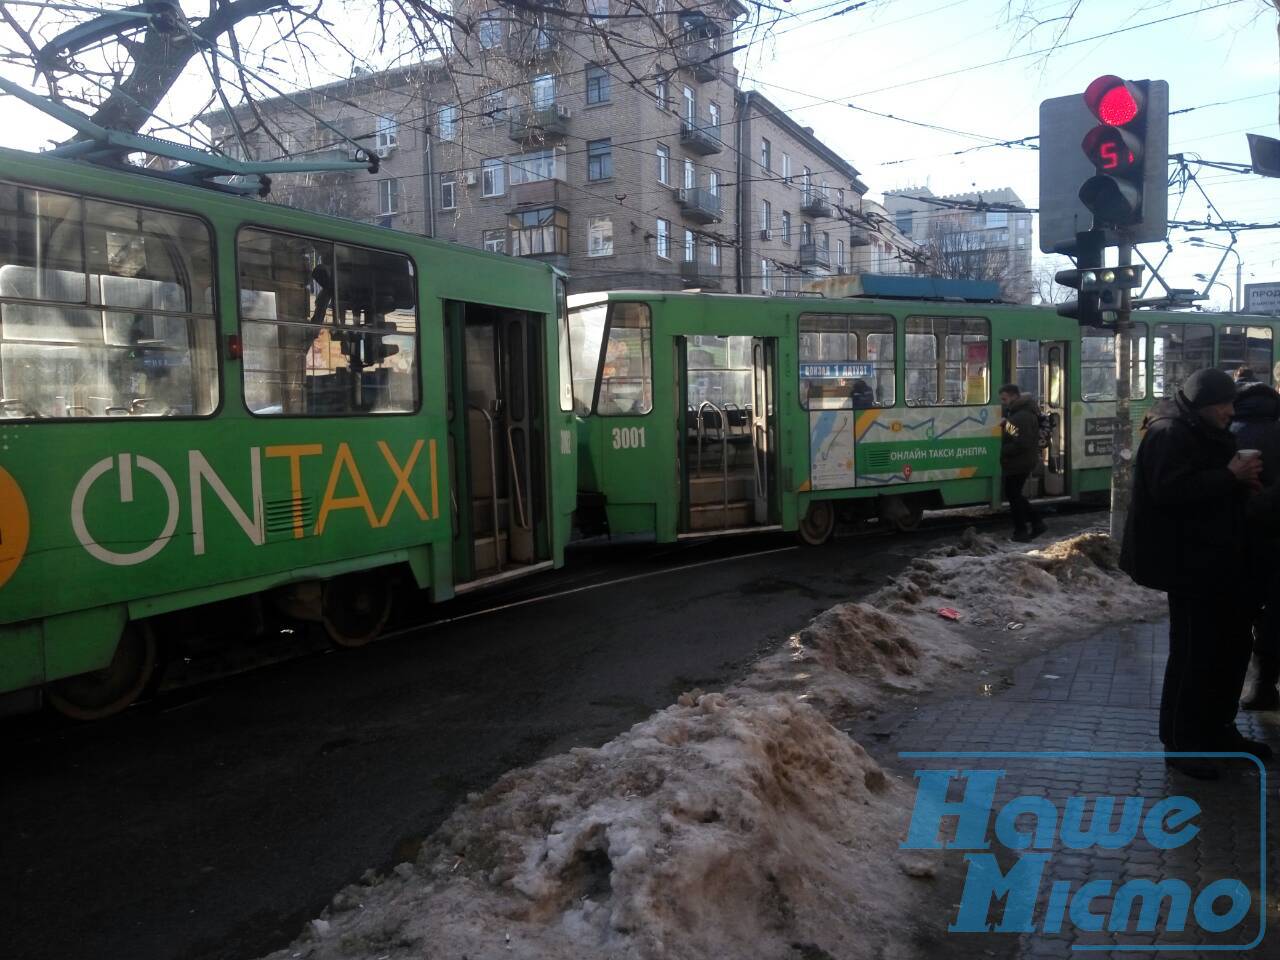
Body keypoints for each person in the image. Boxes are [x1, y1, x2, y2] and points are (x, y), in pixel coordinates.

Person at [1120, 368, 1273, 778]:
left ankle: (1218, 731)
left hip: (1218, 562)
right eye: (1223, 405)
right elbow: (1171, 492)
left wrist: (1242, 484)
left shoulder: (1197, 427)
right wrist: (1230, 476)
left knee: (1225, 651)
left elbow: (1204, 488)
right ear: (1203, 404)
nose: (1229, 412)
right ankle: (1182, 744)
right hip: (1187, 566)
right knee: (1192, 656)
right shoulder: (1169, 433)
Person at [1232, 376, 1280, 711]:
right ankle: (1264, 684)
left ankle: (1253, 686)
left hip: (1239, 541)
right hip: (1276, 538)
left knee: (1245, 614)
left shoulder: (1227, 434)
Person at [998, 384, 1046, 542]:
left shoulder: (1021, 416)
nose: (1003, 402)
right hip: (1022, 460)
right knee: (1014, 494)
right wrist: (1006, 426)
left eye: (1005, 399)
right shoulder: (1019, 414)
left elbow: (1021, 442)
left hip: (1019, 461)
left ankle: (1022, 531)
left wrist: (1002, 450)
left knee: (1013, 495)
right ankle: (1035, 523)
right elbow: (1015, 433)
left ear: (1014, 396)